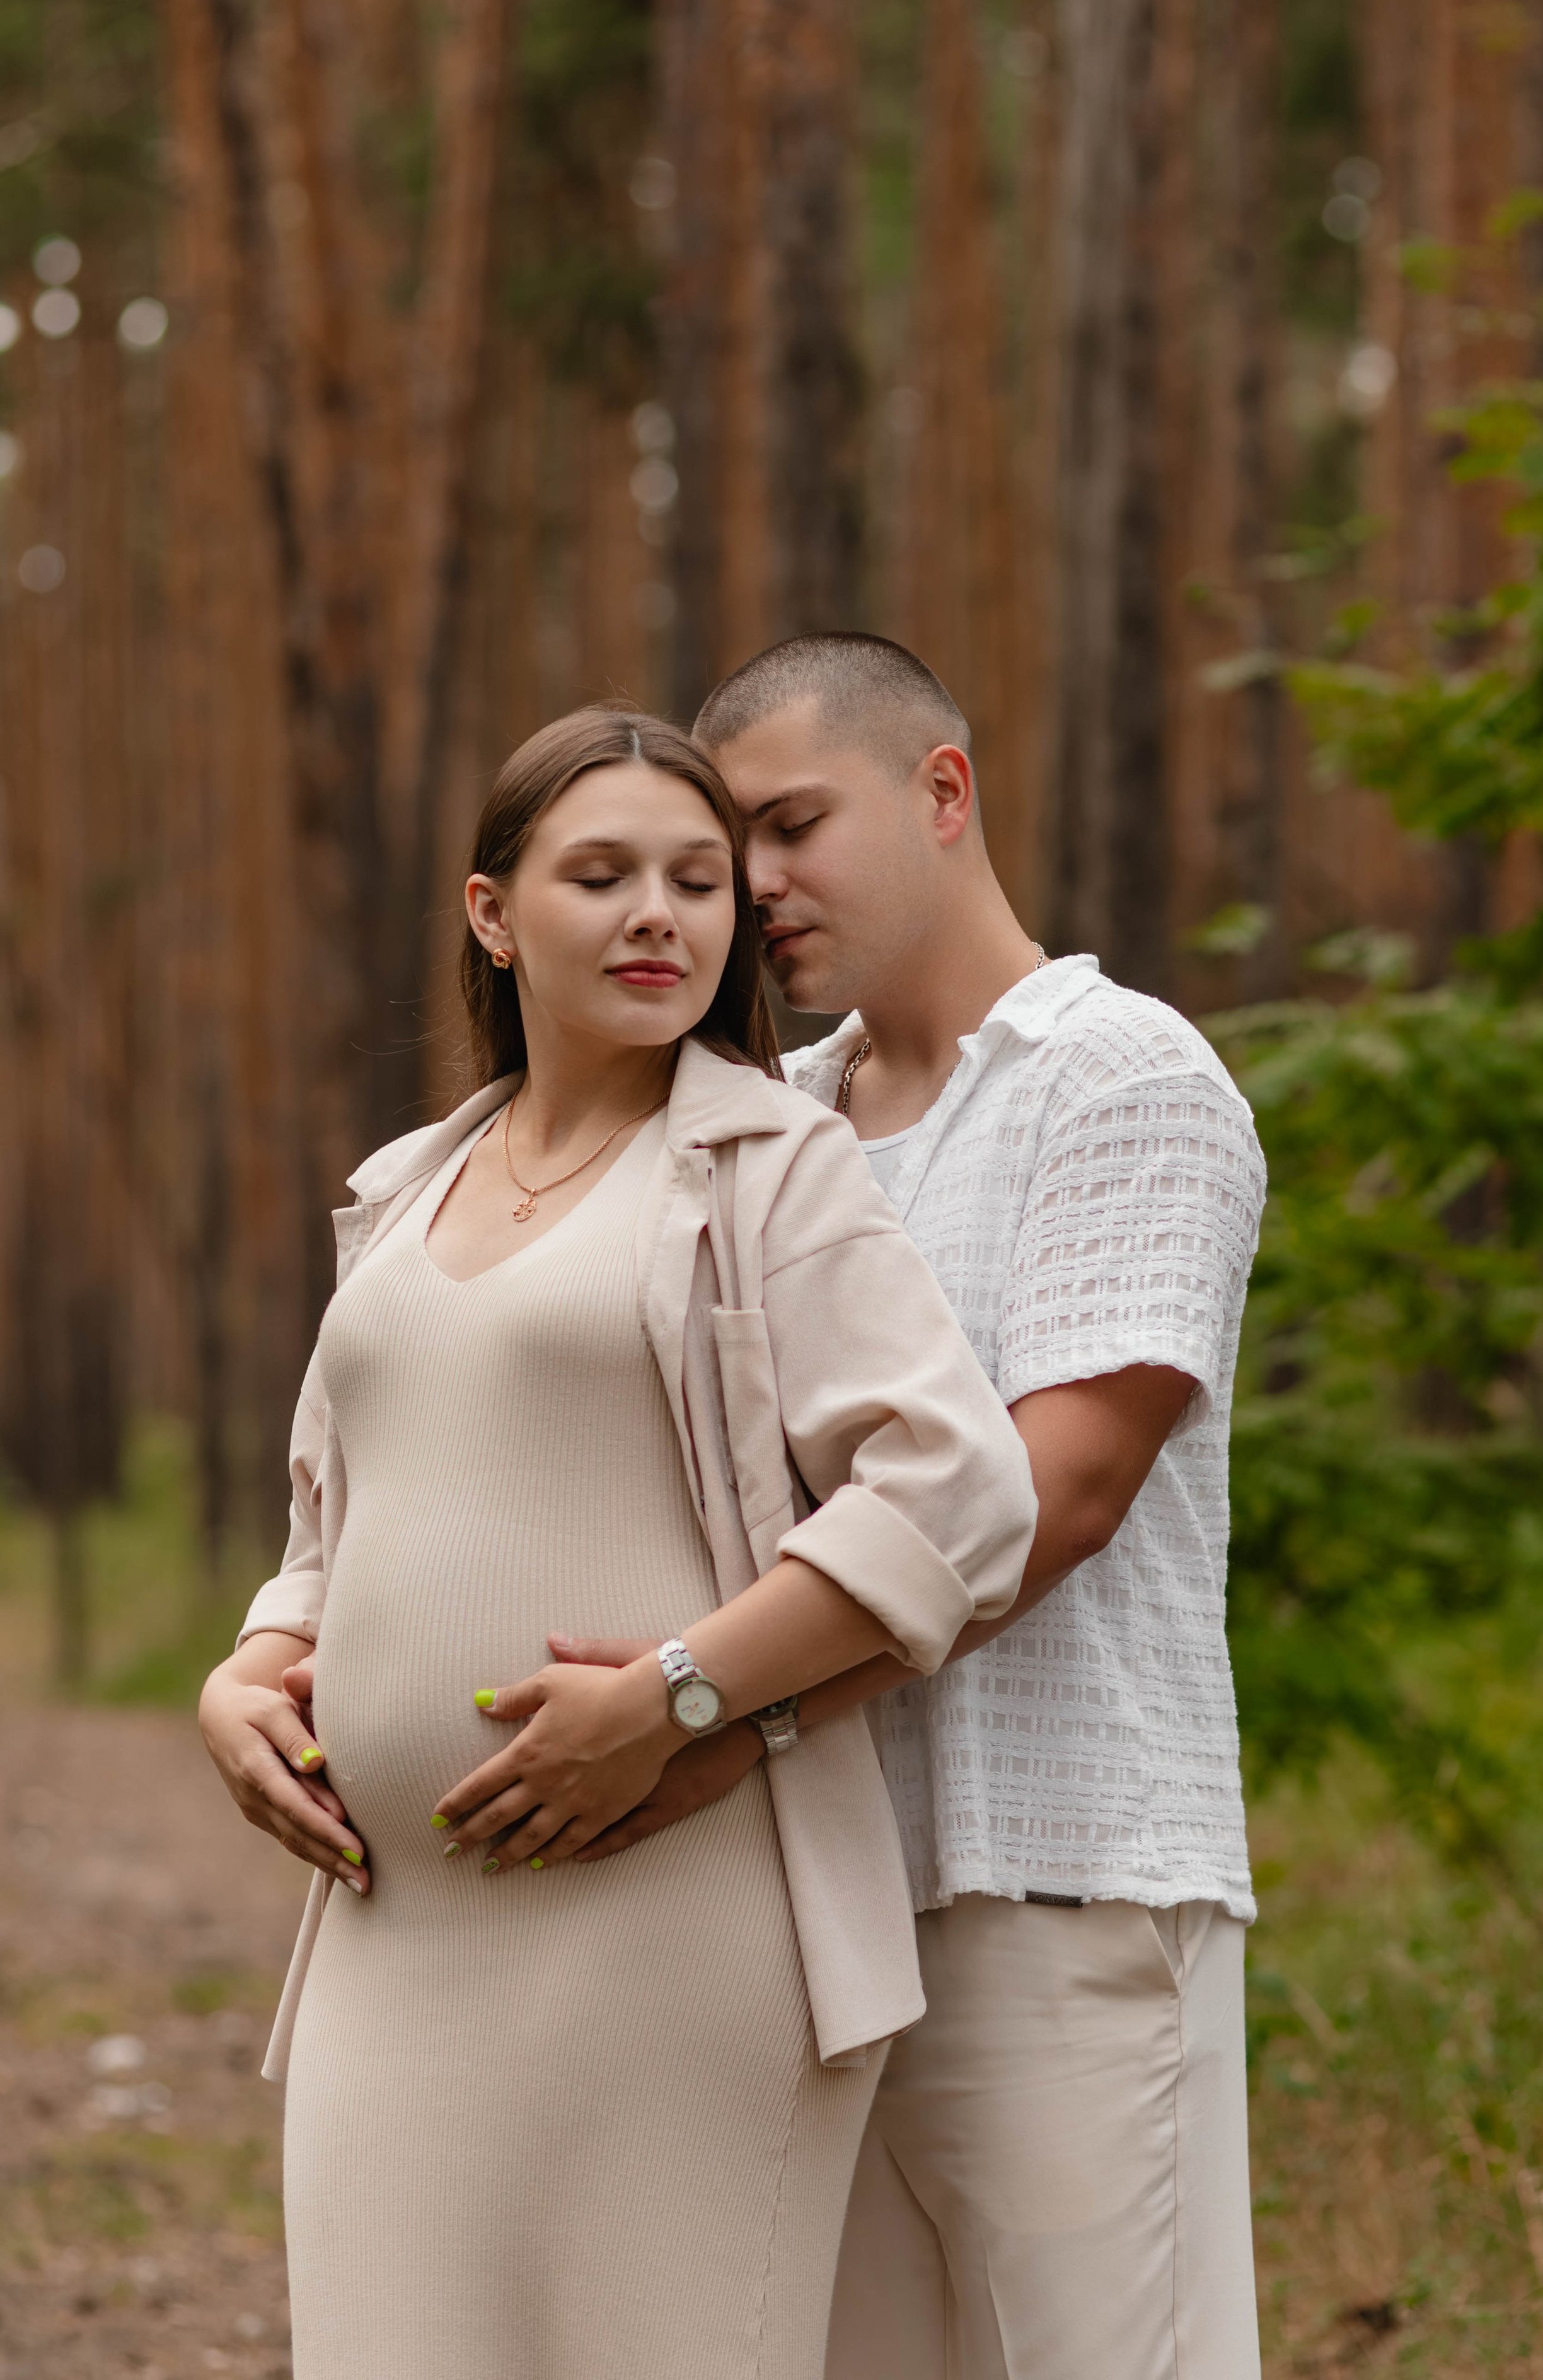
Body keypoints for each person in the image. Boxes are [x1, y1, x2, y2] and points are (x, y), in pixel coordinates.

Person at [197, 707, 1037, 2380]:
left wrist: (676, 1693)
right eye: (602, 876)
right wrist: (248, 1673)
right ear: (494, 914)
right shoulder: (405, 1188)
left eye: (698, 881)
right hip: (392, 1940)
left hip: (681, 1925)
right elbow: (331, 1523)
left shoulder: (768, 1165)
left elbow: (958, 1491)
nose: (660, 915)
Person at [554, 639, 1269, 2380]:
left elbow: (1055, 1494)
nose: (753, 885)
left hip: (1063, 1880)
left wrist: (710, 1706)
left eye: (792, 825)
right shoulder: (770, 1127)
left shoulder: (1121, 1076)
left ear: (942, 790)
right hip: (807, 1906)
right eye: (731, 844)